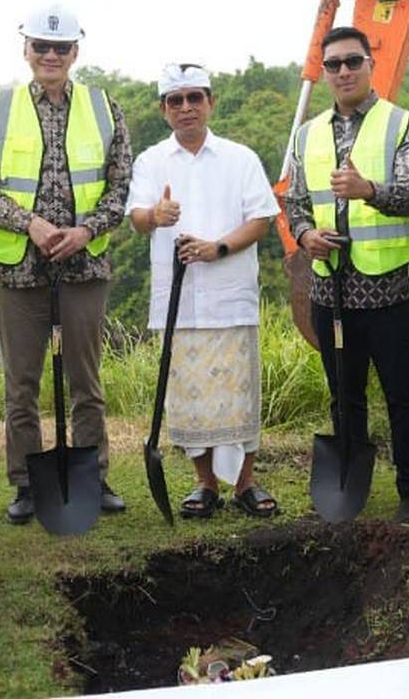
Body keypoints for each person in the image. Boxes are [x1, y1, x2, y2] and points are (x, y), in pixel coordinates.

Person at [0, 4, 131, 525]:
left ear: (76, 52)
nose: (51, 56)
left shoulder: (105, 108)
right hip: (19, 267)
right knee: (21, 383)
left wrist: (85, 231)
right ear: (26, 50)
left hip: (84, 268)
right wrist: (31, 224)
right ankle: (25, 484)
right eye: (42, 46)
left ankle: (93, 474)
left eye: (61, 48)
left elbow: (120, 186)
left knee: (86, 380)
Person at [283, 25, 409, 523]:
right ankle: (349, 484)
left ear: (370, 64)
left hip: (389, 291)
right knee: (344, 396)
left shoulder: (402, 123)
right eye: (334, 65)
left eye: (353, 61)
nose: (343, 71)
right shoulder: (309, 134)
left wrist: (369, 189)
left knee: (401, 395)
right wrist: (306, 237)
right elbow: (296, 204)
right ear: (324, 72)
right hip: (332, 292)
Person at [127, 63, 281, 518]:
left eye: (195, 97)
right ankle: (205, 483)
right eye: (176, 100)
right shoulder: (151, 161)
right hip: (178, 300)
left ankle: (246, 483)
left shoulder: (240, 157)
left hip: (229, 296)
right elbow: (136, 217)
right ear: (163, 109)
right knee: (189, 399)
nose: (186, 108)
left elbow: (262, 219)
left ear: (211, 102)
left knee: (239, 397)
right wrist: (156, 215)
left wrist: (218, 247)